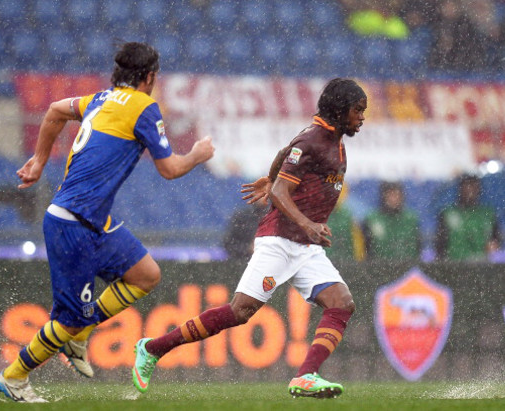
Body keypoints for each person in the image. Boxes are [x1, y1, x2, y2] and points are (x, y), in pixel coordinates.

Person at [0, 42, 215, 403]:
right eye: (154, 78)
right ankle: (14, 376)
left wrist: (38, 160)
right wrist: (197, 154)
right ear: (148, 77)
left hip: (93, 220)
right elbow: (170, 169)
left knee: (146, 275)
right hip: (73, 223)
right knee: (67, 321)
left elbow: (54, 110)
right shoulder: (144, 107)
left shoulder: (100, 99)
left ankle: (81, 332)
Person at [132, 78, 367, 399]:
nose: (361, 117)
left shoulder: (332, 139)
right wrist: (297, 212)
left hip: (307, 248)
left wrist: (271, 177)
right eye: (357, 110)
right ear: (340, 109)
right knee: (239, 312)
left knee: (342, 304)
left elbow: (285, 152)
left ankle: (306, 375)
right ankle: (153, 348)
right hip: (281, 240)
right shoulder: (313, 140)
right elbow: (281, 192)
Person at [435, 174, 500, 261]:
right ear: (460, 189)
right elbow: (440, 244)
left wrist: (493, 245)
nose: (470, 191)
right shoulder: (448, 213)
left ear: (479, 190)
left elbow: (496, 239)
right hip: (454, 265)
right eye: (467, 186)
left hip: (481, 265)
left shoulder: (488, 214)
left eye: (474, 187)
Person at [362, 181, 421, 260]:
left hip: (408, 268)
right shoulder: (372, 219)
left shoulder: (411, 219)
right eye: (390, 195)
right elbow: (366, 248)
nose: (393, 199)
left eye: (396, 195)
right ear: (383, 196)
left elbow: (418, 246)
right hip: (380, 268)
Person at [325, 183, 365, 263]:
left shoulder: (347, 215)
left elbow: (357, 239)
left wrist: (359, 259)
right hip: (325, 261)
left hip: (346, 261)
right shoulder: (318, 213)